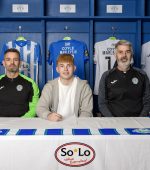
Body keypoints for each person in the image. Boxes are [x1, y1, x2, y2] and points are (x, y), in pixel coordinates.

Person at [98, 40, 150, 117]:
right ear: (115, 55)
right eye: (120, 52)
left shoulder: (142, 75)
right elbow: (102, 104)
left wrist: (139, 120)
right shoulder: (106, 76)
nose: (124, 55)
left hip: (137, 121)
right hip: (112, 121)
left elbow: (147, 102)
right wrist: (112, 120)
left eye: (127, 52)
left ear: (131, 54)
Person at [36, 53, 93, 121]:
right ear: (57, 69)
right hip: (55, 123)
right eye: (62, 66)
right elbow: (40, 108)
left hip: (77, 124)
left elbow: (86, 112)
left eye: (68, 66)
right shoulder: (50, 86)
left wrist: (79, 124)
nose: (65, 69)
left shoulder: (84, 87)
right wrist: (48, 115)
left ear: (74, 68)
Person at [0, 48, 39, 117]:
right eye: (8, 59)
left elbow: (35, 108)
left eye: (15, 59)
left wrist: (21, 121)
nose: (12, 62)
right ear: (3, 63)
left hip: (23, 123)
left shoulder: (30, 83)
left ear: (20, 63)